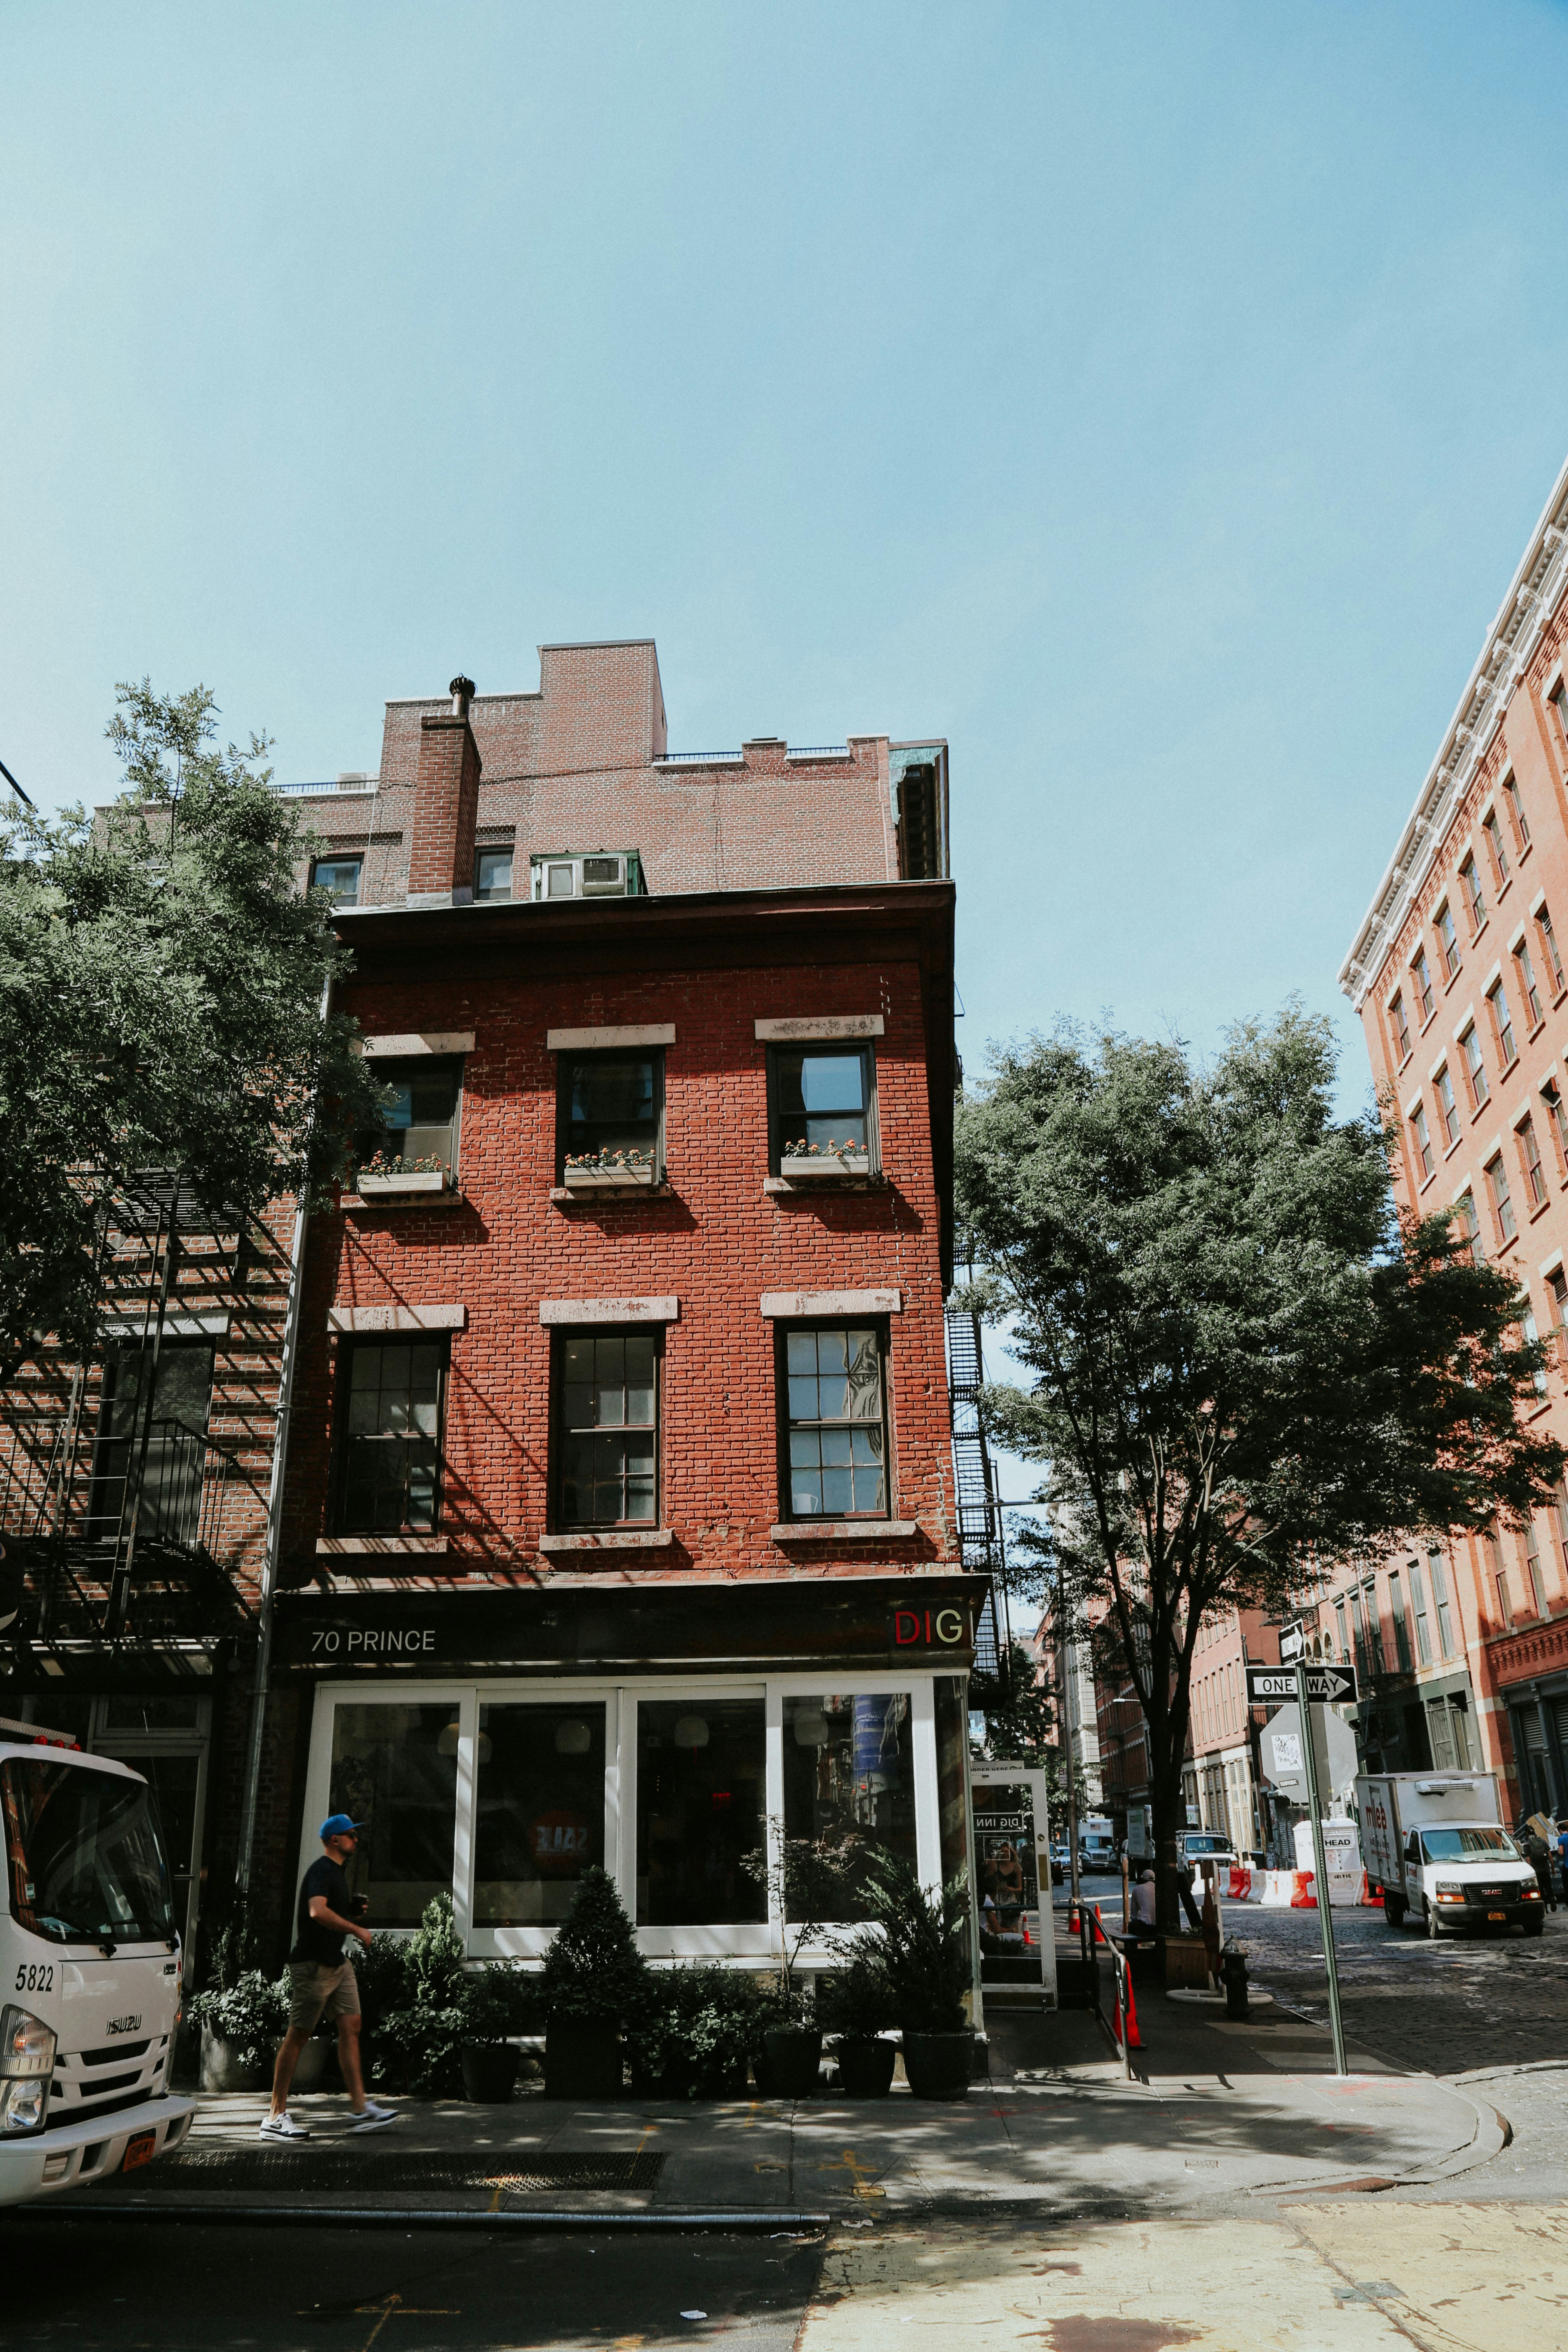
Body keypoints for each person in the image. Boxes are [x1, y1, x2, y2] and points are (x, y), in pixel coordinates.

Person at [261, 1813, 397, 2140]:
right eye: (351, 1835)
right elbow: (316, 1911)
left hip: (336, 1964)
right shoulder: (321, 1870)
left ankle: (361, 2110)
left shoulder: (337, 1873)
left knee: (352, 2025)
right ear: (335, 1840)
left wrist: (349, 1910)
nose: (356, 1839)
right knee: (298, 2036)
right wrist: (356, 1929)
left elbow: (328, 1910)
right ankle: (275, 2117)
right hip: (313, 1966)